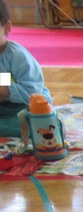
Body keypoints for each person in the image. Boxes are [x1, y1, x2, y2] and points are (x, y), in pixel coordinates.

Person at [0, 0, 52, 137]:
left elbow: (32, 91)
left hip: (27, 105)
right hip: (4, 107)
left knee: (29, 124)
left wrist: (3, 89)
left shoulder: (16, 55)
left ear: (6, 28)